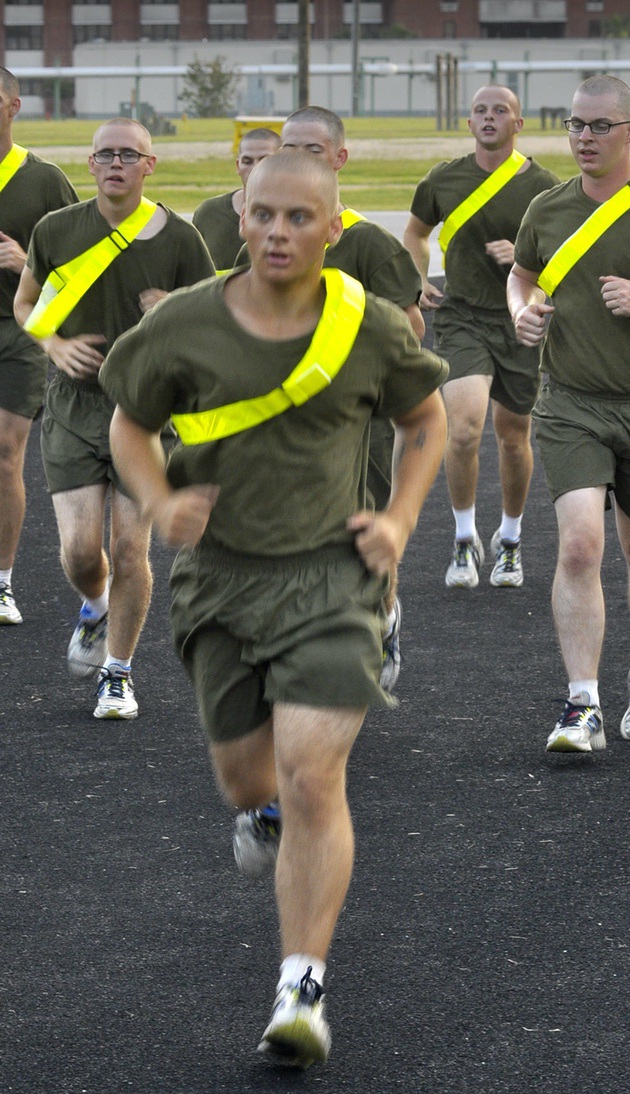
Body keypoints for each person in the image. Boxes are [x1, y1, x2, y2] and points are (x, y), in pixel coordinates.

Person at [104, 150, 448, 1066]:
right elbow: (129, 424)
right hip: (218, 583)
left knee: (309, 775)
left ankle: (302, 987)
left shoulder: (367, 325)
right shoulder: (184, 323)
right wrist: (158, 501)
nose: (277, 233)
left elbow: (424, 419)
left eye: (299, 217)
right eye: (262, 215)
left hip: (333, 579)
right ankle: (259, 817)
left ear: (334, 227)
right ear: (239, 217)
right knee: (248, 783)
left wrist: (400, 519)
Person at [227, 105, 429, 880]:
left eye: (313, 149)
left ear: (339, 159)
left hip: (350, 432)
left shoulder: (370, 245)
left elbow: (409, 331)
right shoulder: (252, 234)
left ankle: (379, 622)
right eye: (288, 148)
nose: (298, 158)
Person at [506, 74, 630, 752]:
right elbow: (521, 275)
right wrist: (521, 312)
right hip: (569, 403)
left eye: (599, 126)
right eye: (574, 125)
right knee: (579, 545)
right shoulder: (547, 208)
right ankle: (581, 703)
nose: (584, 138)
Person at [14, 117, 214, 719]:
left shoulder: (181, 239)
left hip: (147, 411)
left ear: (150, 165)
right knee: (80, 553)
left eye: (129, 154)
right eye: (105, 154)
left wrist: (173, 309)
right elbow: (26, 303)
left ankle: (118, 673)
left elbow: (215, 322)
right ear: (91, 163)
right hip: (74, 407)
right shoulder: (56, 230)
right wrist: (53, 345)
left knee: (130, 549)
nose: (116, 163)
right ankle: (96, 607)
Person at [403, 86, 560, 589]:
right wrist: (416, 279)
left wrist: (524, 256)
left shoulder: (544, 186)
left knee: (513, 436)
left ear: (519, 124)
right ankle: (464, 537)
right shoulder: (443, 179)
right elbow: (416, 233)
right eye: (480, 111)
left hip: (520, 321)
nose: (489, 117)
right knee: (465, 429)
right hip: (462, 317)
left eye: (500, 111)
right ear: (469, 123)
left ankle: (509, 539)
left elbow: (562, 257)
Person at [0, 67, 78, 627]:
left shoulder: (45, 181)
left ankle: (1, 583)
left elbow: (80, 272)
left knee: (6, 453)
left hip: (18, 330)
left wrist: (25, 261)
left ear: (14, 106)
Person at [192, 127, 280, 270]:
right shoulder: (208, 214)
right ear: (238, 166)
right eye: (247, 161)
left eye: (264, 160)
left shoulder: (295, 217)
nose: (255, 168)